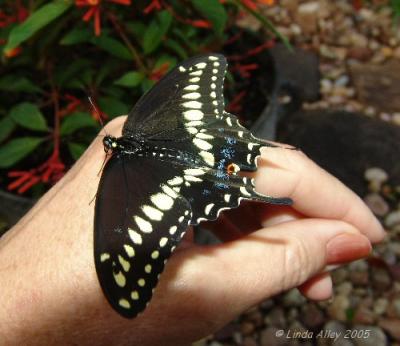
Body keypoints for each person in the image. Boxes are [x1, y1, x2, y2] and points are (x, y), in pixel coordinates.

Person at [0, 116, 384, 346]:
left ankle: (252, 190)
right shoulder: (118, 181)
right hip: (188, 165)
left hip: (182, 165)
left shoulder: (119, 181)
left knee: (248, 189)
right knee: (246, 188)